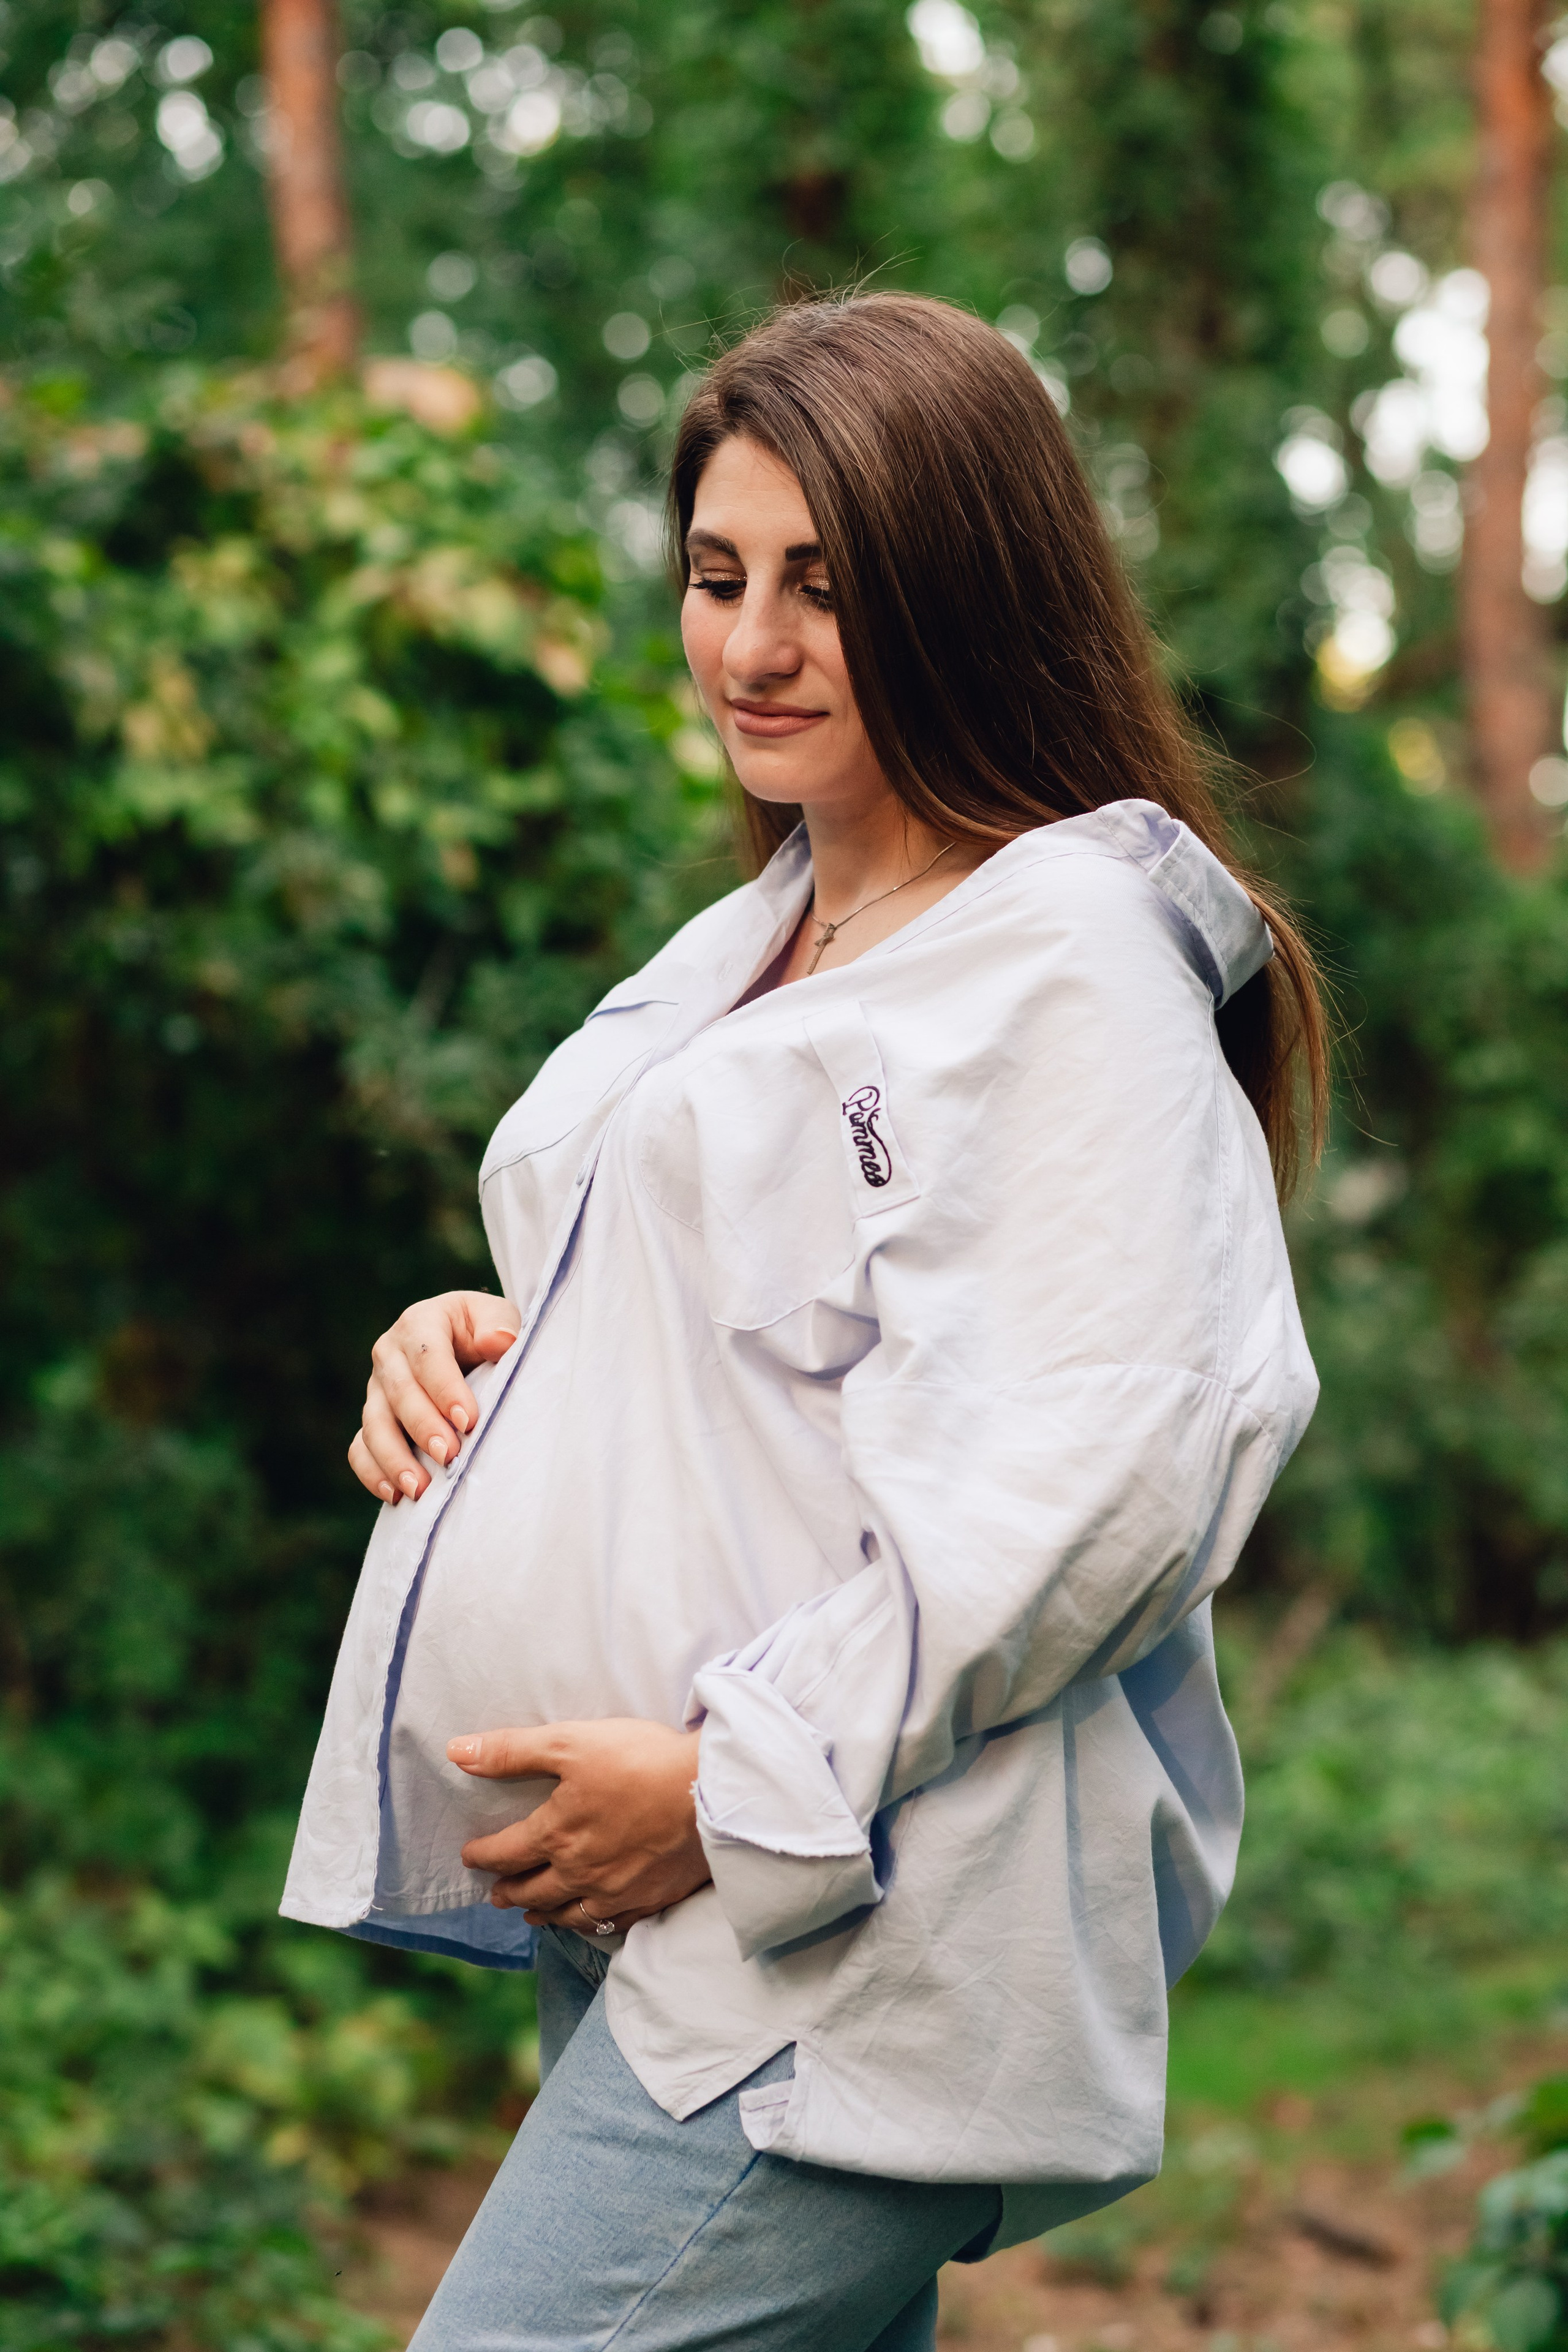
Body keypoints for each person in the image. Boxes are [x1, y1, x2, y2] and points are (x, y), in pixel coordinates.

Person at [282, 292, 1324, 2351]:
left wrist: (732, 1793)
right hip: (682, 1924)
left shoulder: (1066, 971)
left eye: (826, 589)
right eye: (716, 572)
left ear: (963, 596)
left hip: (836, 1935)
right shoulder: (765, 935)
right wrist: (469, 1341)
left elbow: (1094, 1474)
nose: (749, 644)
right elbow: (740, 1335)